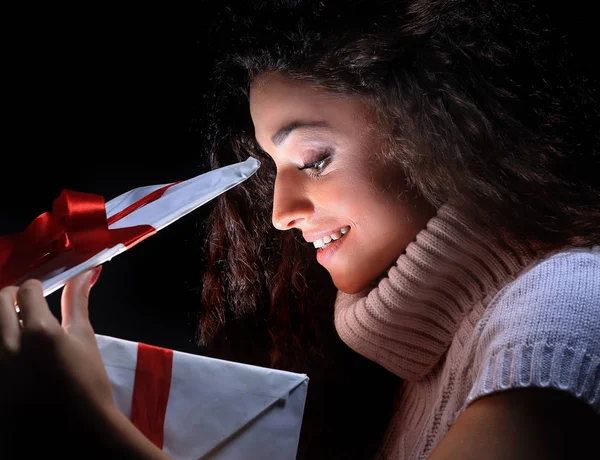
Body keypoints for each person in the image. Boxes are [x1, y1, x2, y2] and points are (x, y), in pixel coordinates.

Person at [2, 0, 599, 458]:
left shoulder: (564, 315)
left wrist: (91, 432)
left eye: (314, 159)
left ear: (446, 130)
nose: (280, 213)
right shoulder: (420, 366)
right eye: (276, 168)